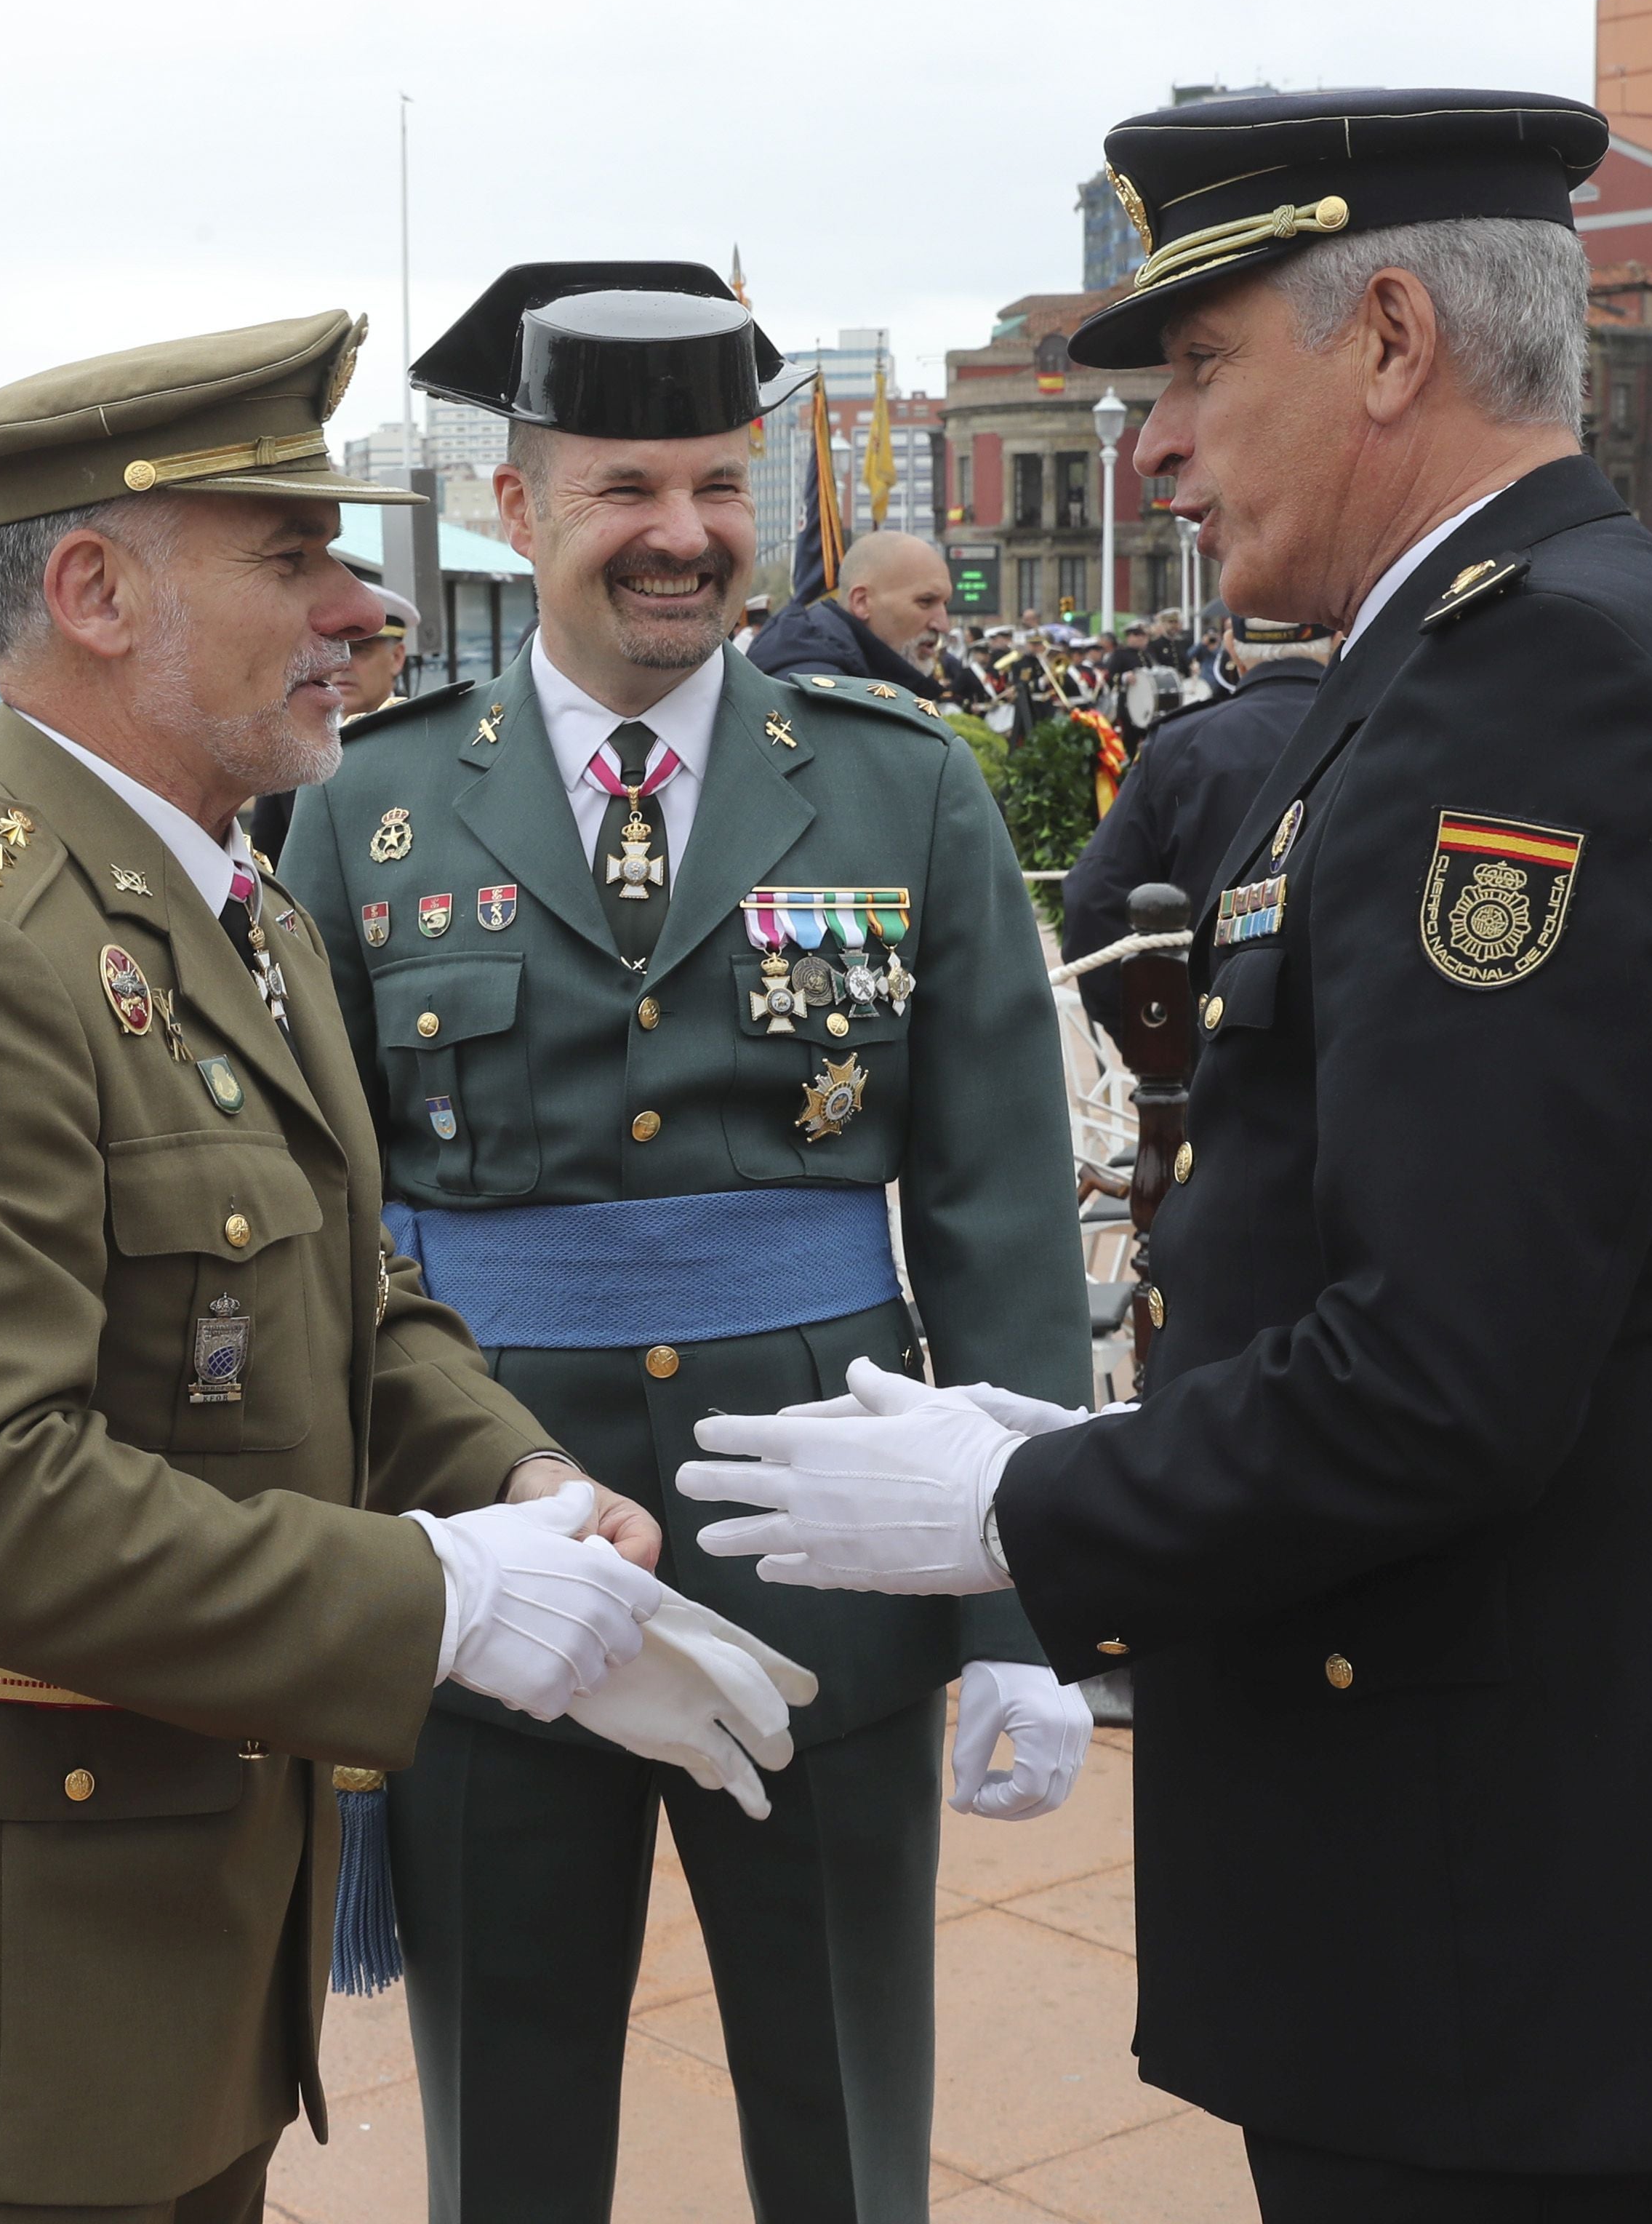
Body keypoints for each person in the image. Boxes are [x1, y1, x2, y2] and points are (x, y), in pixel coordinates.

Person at [678, 86, 1652, 2223]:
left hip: (1506, 1874)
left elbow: (1445, 1370)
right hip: (1481, 1836)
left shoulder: (1534, 696)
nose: (1157, 444)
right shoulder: (1474, 660)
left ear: (1394, 340)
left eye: (1201, 366)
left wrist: (1024, 1497)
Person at [0, 309, 798, 2224]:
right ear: (90, 590)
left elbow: (351, 1300)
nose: (357, 607)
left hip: (189, 1900)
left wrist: (520, 1485)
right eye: (292, 555)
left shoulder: (228, 909)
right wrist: (433, 1602)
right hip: (21, 1959)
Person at [278, 263, 1096, 2224]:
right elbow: (317, 1221)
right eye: (627, 488)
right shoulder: (374, 808)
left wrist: (1022, 1592)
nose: (684, 536)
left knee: (843, 2105)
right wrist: (362, 1567)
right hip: (505, 1543)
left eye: (722, 488)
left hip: (830, 1540)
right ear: (517, 506)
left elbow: (994, 1202)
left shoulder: (899, 783)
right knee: (512, 2123)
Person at [1058, 616, 1335, 1037]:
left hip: (1212, 1043)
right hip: (1347, 1051)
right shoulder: (1384, 728)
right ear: (1337, 639)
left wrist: (1159, 1042)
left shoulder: (1178, 744)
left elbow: (1093, 900)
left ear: (1231, 647)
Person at [246, 579, 409, 864]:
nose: (344, 664)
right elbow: (270, 853)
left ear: (396, 658)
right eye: (335, 648)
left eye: (360, 651)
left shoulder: (426, 732)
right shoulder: (293, 740)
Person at [748, 526, 956, 696]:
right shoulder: (821, 695)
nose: (943, 625)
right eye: (926, 601)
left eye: (945, 604)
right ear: (862, 602)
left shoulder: (853, 677)